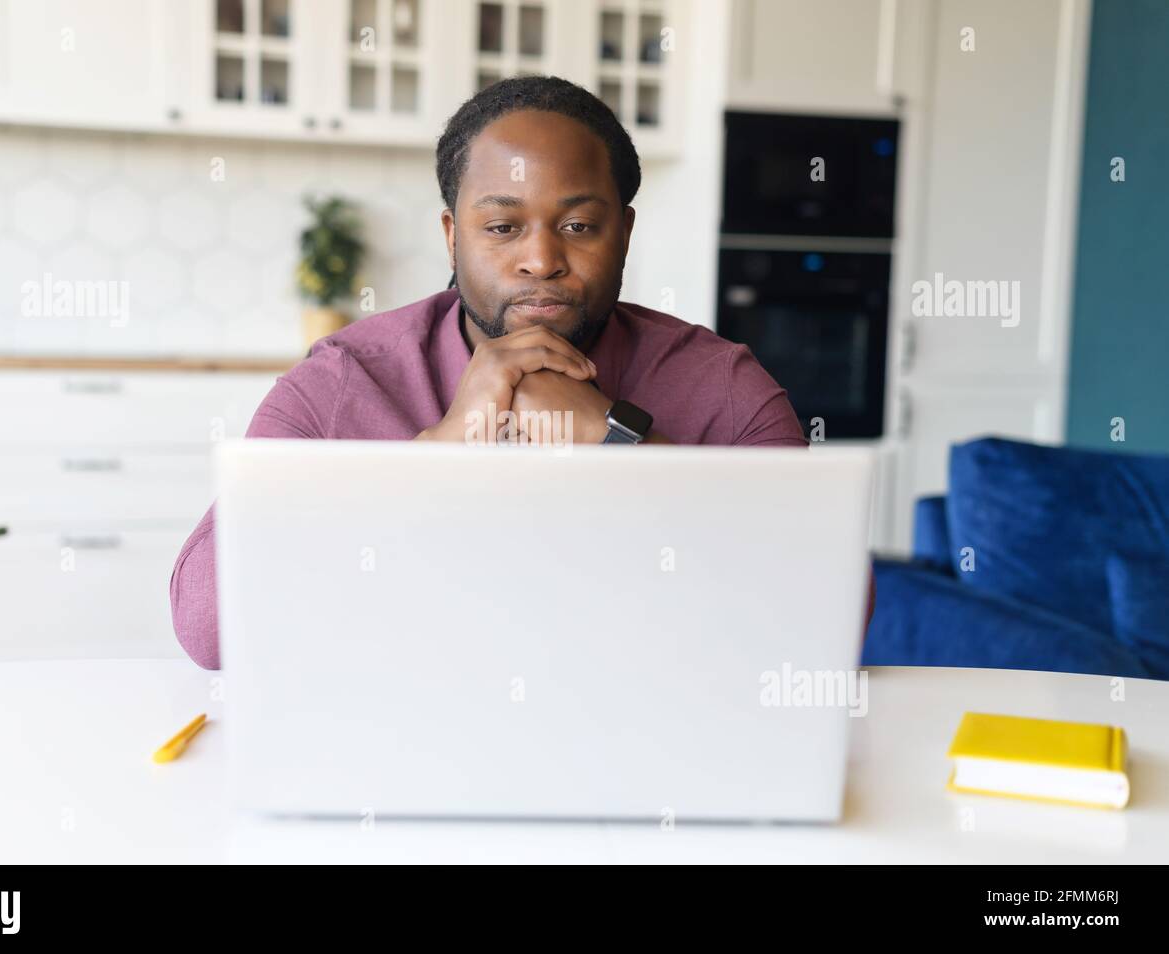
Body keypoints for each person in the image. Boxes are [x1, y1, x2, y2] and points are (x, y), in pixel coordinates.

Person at [171, 75, 871, 670]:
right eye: (503, 228)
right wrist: (445, 447)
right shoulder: (346, 381)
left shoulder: (720, 385)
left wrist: (615, 438)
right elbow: (209, 623)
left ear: (623, 232)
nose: (541, 260)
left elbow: (831, 615)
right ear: (453, 236)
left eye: (578, 227)